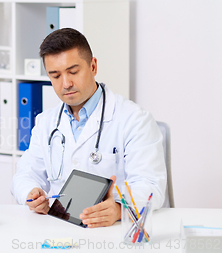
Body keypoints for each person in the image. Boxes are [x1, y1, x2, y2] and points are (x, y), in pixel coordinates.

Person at [11, 28, 166, 228]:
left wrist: (119, 209)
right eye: (55, 75)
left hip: (111, 232)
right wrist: (31, 194)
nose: (66, 83)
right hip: (59, 230)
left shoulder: (134, 119)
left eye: (73, 72)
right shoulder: (46, 122)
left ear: (93, 66)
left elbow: (151, 185)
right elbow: (24, 175)